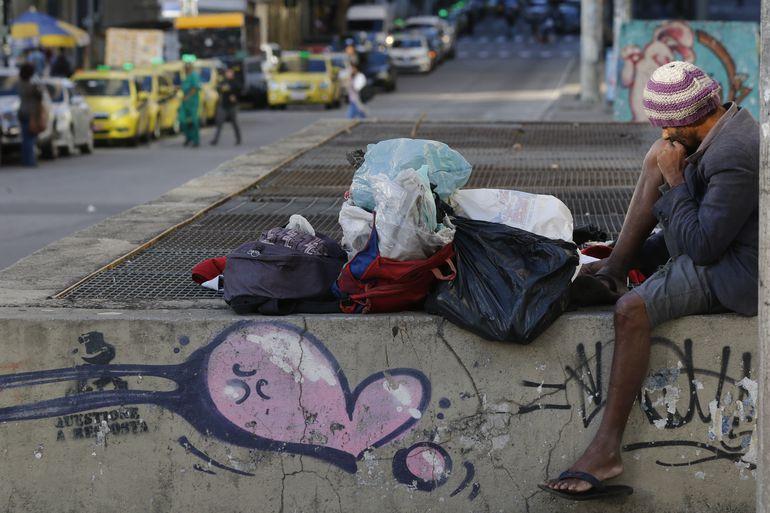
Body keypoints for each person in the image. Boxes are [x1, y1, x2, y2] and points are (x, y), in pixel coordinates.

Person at [541, 61, 758, 500]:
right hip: (713, 238)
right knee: (653, 164)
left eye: (667, 128)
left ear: (689, 120)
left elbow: (701, 249)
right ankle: (614, 270)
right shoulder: (717, 128)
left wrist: (675, 177)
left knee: (632, 309)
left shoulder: (734, 153)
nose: (664, 136)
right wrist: (663, 168)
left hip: (738, 270)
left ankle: (605, 450)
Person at [17, 63, 44, 167]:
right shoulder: (30, 86)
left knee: (26, 138)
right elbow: (39, 96)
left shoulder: (20, 84)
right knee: (29, 138)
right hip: (30, 113)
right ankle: (29, 161)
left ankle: (26, 160)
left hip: (23, 112)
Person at [211, 68, 241, 146]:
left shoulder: (235, 82)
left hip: (232, 106)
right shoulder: (223, 81)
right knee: (219, 123)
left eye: (230, 73)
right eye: (227, 73)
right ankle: (215, 140)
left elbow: (238, 89)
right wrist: (222, 88)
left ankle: (238, 139)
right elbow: (218, 88)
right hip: (223, 105)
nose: (229, 74)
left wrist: (233, 93)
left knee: (234, 123)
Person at [178, 60, 201, 147]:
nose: (186, 69)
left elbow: (195, 87)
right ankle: (188, 138)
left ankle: (195, 140)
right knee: (183, 121)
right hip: (185, 103)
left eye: (187, 67)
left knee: (194, 122)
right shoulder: (186, 76)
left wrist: (188, 96)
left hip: (192, 102)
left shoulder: (194, 75)